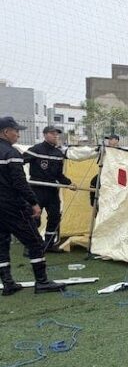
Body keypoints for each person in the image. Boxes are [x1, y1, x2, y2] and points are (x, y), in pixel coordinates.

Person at [0, 117, 65, 295]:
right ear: (6, 132)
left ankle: (8, 283)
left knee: (2, 244)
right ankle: (42, 282)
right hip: (13, 205)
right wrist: (33, 203)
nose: (18, 135)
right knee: (35, 242)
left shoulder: (58, 153)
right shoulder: (11, 153)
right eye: (16, 131)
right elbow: (20, 183)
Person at [23, 125, 76, 252]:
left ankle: (49, 245)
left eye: (57, 134)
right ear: (45, 134)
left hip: (52, 190)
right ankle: (31, 246)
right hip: (37, 189)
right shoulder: (36, 149)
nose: (55, 136)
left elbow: (59, 175)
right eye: (52, 133)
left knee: (54, 217)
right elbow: (19, 162)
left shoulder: (58, 154)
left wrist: (69, 183)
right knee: (34, 218)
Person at [90, 134, 120, 207]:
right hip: (104, 173)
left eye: (111, 139)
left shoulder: (120, 152)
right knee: (94, 182)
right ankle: (94, 204)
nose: (109, 141)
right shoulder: (106, 149)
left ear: (117, 141)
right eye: (109, 139)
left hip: (114, 175)